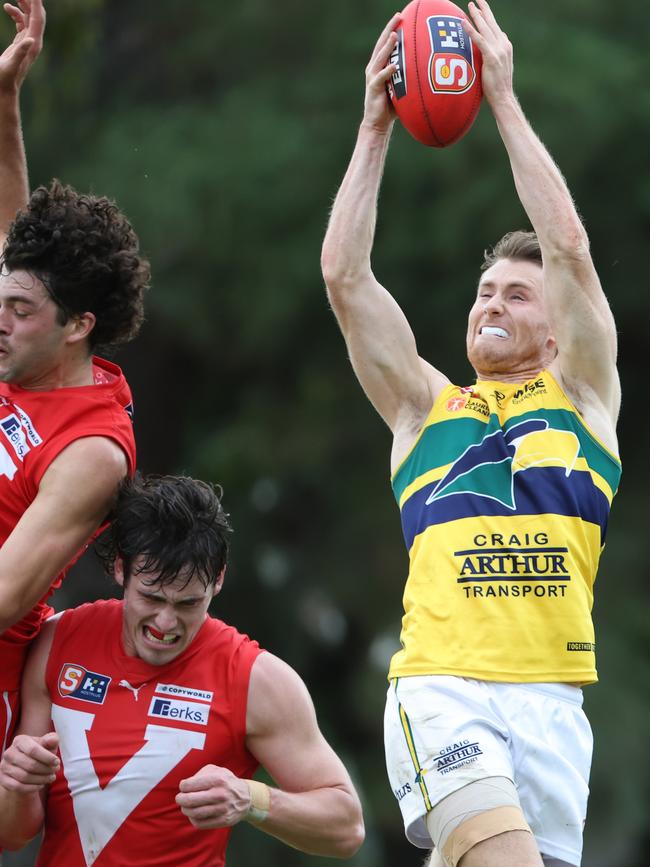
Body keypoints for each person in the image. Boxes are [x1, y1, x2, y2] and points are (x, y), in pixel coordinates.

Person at [320, 2, 621, 866]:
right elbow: (346, 278)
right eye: (485, 290)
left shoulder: (586, 399)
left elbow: (567, 249)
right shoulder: (424, 409)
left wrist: (503, 101)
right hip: (445, 690)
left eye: (516, 295)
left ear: (559, 330)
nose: (492, 302)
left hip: (557, 705)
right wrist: (374, 126)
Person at [0, 474, 365, 864]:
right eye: (151, 597)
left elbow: (345, 828)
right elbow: (14, 834)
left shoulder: (255, 679)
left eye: (188, 603)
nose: (165, 623)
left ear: (219, 579)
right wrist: (14, 784)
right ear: (121, 569)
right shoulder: (58, 642)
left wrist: (250, 798)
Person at [0, 0, 149, 755]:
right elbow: (12, 229)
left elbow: (3, 598)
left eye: (19, 310)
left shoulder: (92, 448)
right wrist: (4, 100)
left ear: (78, 324)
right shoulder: (25, 338)